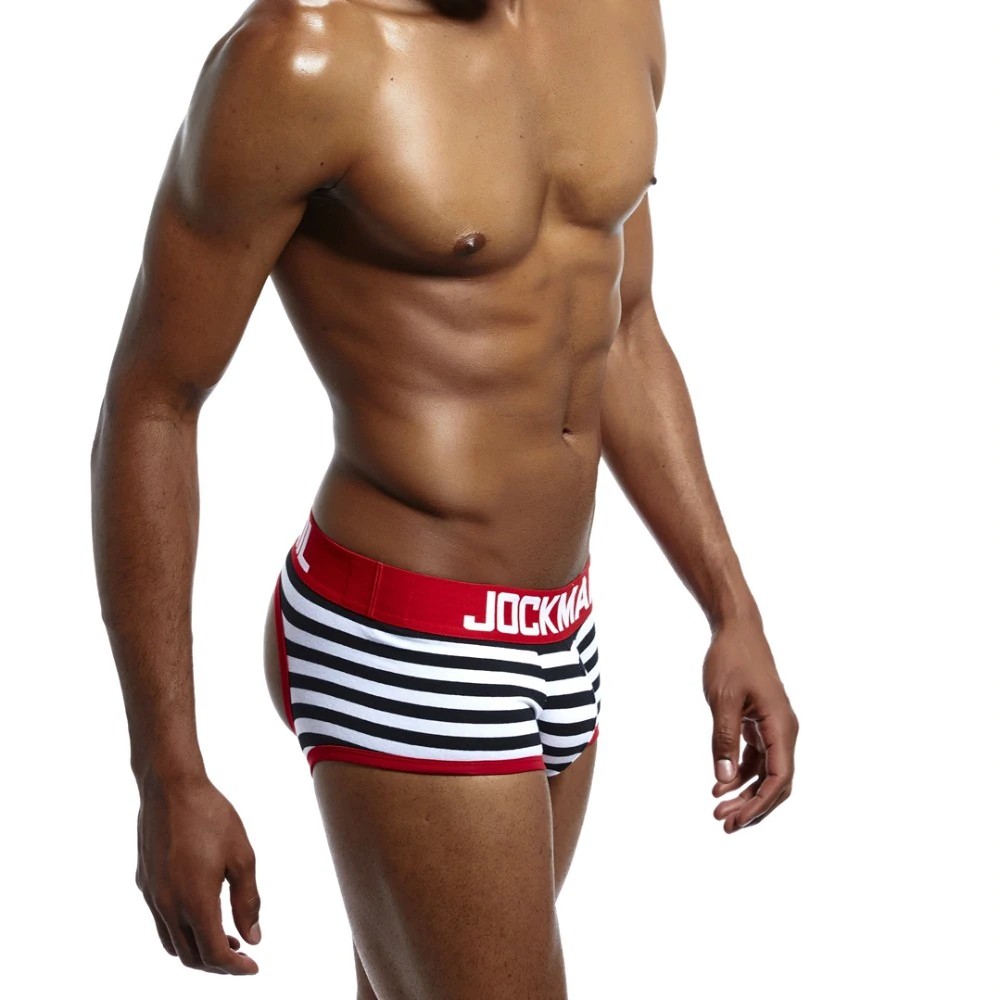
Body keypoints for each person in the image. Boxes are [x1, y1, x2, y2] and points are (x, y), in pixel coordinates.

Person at [91, 0, 798, 995]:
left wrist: (731, 607)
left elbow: (626, 326)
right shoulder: (298, 57)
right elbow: (154, 402)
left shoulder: (616, 16)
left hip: (561, 628)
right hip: (402, 636)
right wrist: (167, 773)